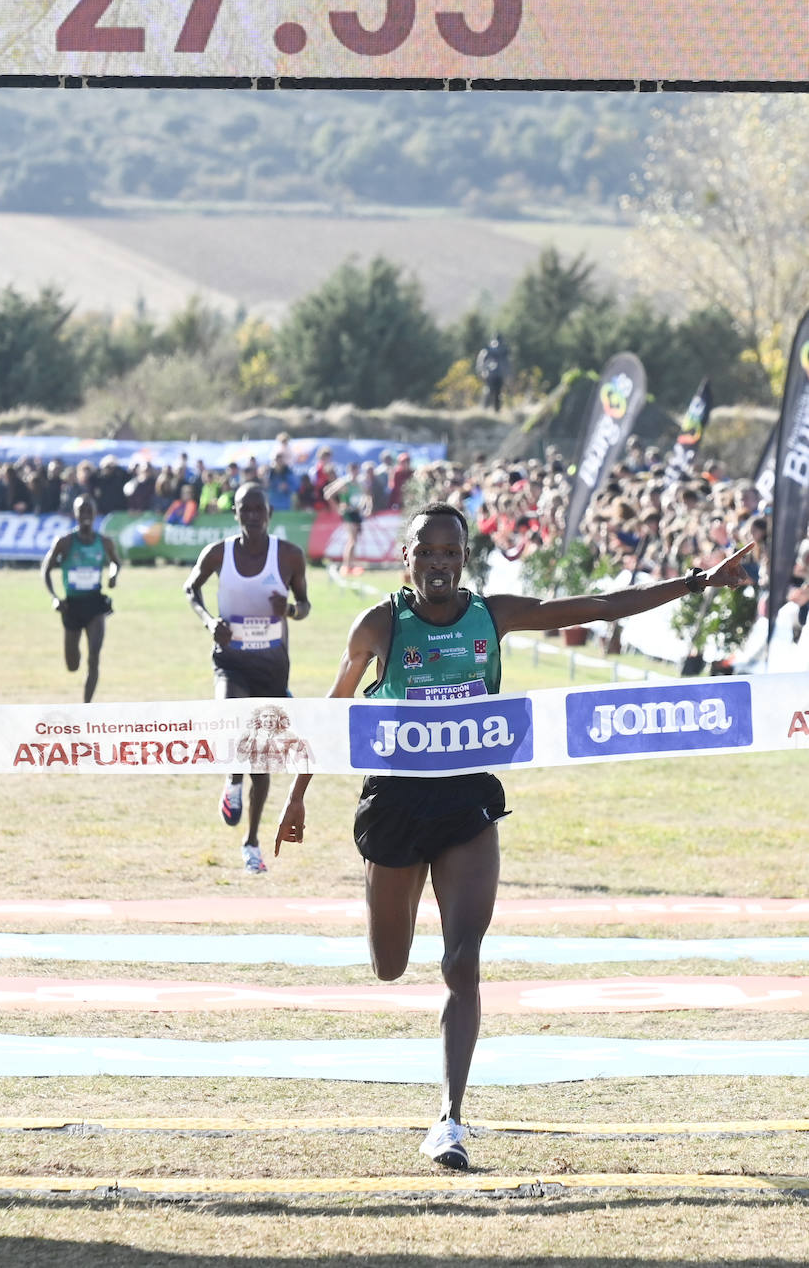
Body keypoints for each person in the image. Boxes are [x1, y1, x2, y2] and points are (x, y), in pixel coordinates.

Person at [275, 502, 753, 1172]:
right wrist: (296, 797)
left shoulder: (490, 616)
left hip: (468, 801)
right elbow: (330, 715)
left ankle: (449, 1120)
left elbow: (600, 605)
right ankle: (397, 927)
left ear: (464, 557)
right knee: (389, 964)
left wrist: (696, 582)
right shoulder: (380, 624)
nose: (439, 564)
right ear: (405, 557)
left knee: (461, 963)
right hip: (394, 802)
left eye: (451, 552)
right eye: (426, 552)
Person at [184, 484, 311, 875]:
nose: (253, 515)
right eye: (245, 509)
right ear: (235, 513)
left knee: (263, 762)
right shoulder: (220, 552)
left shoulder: (288, 555)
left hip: (272, 668)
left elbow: (305, 606)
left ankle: (251, 842)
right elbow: (191, 587)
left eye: (259, 509)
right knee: (231, 717)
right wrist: (210, 622)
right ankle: (231, 780)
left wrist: (287, 608)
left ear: (269, 512)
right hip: (231, 660)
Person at [41, 495, 120, 702]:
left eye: (89, 511)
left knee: (94, 657)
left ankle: (86, 708)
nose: (85, 515)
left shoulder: (104, 541)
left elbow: (116, 562)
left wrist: (113, 575)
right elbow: (46, 569)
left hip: (95, 604)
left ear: (95, 514)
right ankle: (74, 663)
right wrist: (55, 598)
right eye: (81, 511)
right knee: (72, 664)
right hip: (71, 606)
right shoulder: (65, 542)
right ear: (75, 514)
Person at [475, 333, 510, 411]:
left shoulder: (489, 349)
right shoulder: (502, 349)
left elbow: (481, 362)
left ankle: (485, 409)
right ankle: (493, 410)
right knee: (496, 393)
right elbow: (507, 363)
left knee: (490, 391)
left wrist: (481, 372)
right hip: (497, 374)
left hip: (491, 374)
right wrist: (508, 374)